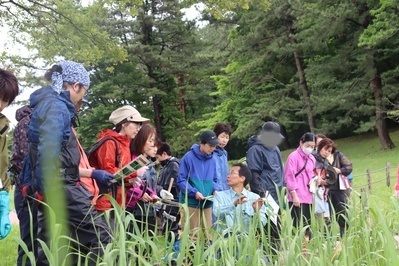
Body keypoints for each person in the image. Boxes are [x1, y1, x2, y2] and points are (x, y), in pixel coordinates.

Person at [19, 60, 110, 265]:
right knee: (101, 236)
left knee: (51, 245)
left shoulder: (49, 104)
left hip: (55, 186)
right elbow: (47, 149)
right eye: (84, 90)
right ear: (75, 85)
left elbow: (34, 149)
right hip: (62, 187)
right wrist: (44, 188)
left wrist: (29, 183)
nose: (83, 96)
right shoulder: (57, 106)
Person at [89, 105, 151, 212]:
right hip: (104, 203)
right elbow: (108, 173)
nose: (138, 129)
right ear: (124, 124)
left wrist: (130, 181)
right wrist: (135, 172)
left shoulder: (124, 143)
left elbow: (119, 176)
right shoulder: (109, 142)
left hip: (118, 202)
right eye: (136, 124)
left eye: (140, 125)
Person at [177, 130, 219, 243]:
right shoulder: (188, 158)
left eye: (214, 146)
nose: (212, 148)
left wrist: (215, 190)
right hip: (191, 202)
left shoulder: (213, 160)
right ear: (202, 143)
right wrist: (193, 192)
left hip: (207, 203)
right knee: (192, 235)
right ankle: (190, 260)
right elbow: (181, 180)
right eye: (210, 145)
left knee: (208, 234)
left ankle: (207, 260)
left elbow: (215, 180)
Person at [10, 105, 38, 265]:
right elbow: (25, 159)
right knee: (29, 245)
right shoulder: (28, 122)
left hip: (36, 189)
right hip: (27, 190)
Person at [213, 162, 267, 235]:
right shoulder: (220, 196)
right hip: (226, 239)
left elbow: (261, 223)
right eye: (228, 173)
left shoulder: (254, 198)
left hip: (247, 239)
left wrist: (256, 211)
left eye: (232, 173)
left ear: (242, 178)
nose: (228, 176)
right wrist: (233, 205)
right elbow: (216, 213)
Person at [129, 124, 160, 235]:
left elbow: (148, 184)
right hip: (134, 208)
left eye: (154, 142)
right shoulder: (132, 158)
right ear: (141, 140)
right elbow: (127, 182)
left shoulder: (149, 163)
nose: (153, 146)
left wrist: (153, 195)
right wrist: (140, 194)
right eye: (150, 141)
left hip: (148, 209)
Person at [284, 133, 317, 240]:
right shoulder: (293, 157)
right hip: (297, 197)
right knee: (299, 226)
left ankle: (308, 250)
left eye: (313, 147)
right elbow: (289, 176)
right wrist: (294, 195)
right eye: (308, 145)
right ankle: (300, 249)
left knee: (308, 226)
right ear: (301, 142)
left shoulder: (312, 158)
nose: (310, 148)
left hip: (309, 195)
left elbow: (311, 173)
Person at [0, 68, 19, 241]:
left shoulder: (2, 127)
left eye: (5, 100)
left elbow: (1, 165)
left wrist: (4, 194)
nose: (0, 104)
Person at [246, 121, 285, 204]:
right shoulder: (255, 150)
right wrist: (260, 194)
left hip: (278, 193)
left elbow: (281, 170)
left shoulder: (276, 149)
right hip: (265, 194)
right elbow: (253, 174)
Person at [156, 141, 180, 250]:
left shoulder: (173, 165)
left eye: (158, 157)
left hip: (173, 203)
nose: (157, 160)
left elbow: (170, 187)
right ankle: (169, 253)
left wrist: (160, 190)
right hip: (165, 202)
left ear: (164, 154)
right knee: (167, 230)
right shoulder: (165, 166)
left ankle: (175, 254)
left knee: (171, 230)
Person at [213, 122, 233, 191]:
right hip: (214, 191)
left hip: (225, 190)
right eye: (222, 137)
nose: (224, 140)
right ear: (216, 136)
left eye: (227, 137)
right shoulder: (210, 152)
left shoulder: (224, 153)